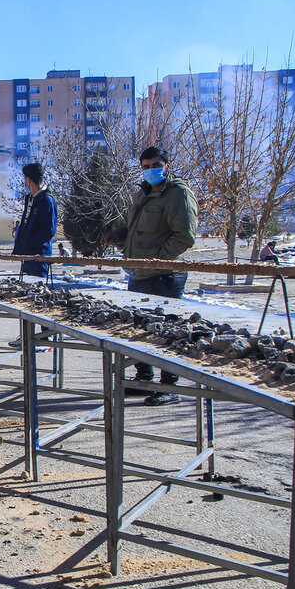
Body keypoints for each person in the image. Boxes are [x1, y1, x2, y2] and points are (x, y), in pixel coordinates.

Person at [104, 146, 198, 407]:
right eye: (145, 166)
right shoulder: (143, 193)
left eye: (155, 165)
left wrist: (156, 258)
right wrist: (120, 234)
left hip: (165, 274)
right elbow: (137, 227)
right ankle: (144, 378)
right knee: (142, 327)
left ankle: (170, 385)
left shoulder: (178, 194)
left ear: (167, 165)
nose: (150, 170)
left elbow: (185, 237)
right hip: (140, 273)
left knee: (166, 330)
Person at [11, 162, 58, 278]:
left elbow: (49, 231)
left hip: (39, 256)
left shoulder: (47, 201)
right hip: (27, 256)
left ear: (28, 179)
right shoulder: (30, 199)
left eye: (24, 178)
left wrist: (30, 245)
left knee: (37, 288)